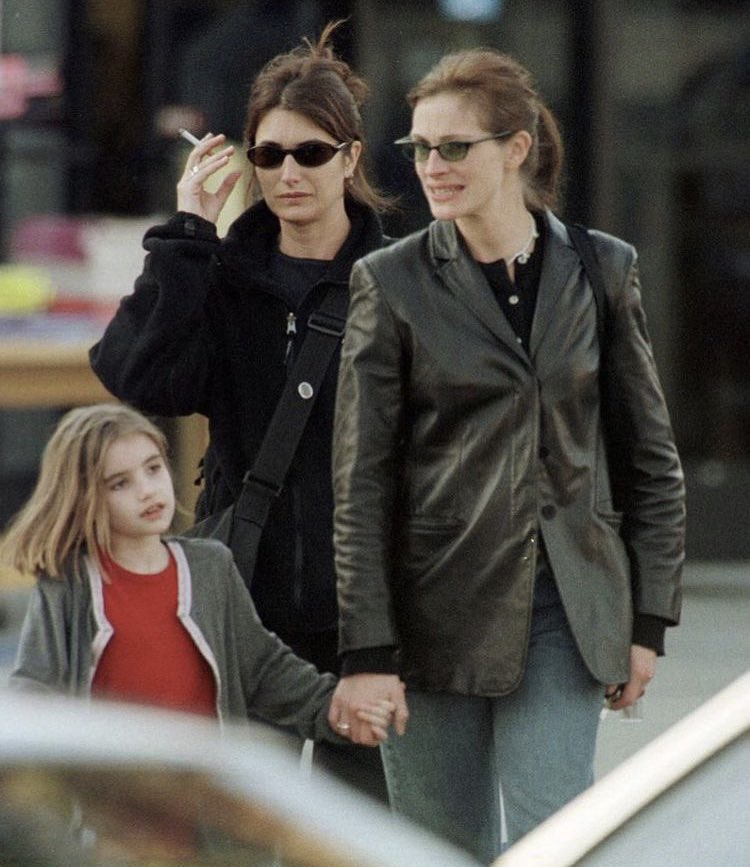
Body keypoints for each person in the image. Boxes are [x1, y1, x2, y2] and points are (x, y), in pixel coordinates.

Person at [328, 48, 686, 862]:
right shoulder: (391, 281)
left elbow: (649, 459)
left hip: (564, 605)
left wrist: (648, 619)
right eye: (419, 148)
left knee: (553, 833)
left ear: (515, 148)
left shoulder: (602, 268)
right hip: (428, 616)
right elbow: (360, 480)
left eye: (455, 146)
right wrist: (368, 650)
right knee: (436, 847)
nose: (432, 166)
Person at [88, 21, 394, 800]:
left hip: (369, 611)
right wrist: (187, 229)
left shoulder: (400, 282)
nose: (289, 172)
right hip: (243, 600)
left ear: (351, 157)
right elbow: (137, 375)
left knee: (360, 835)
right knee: (236, 823)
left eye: (312, 153)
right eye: (270, 154)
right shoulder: (221, 276)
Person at [2, 403, 394, 747]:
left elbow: (264, 670)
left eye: (153, 468)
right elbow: (36, 688)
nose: (147, 490)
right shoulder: (68, 583)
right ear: (84, 497)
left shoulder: (210, 566)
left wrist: (340, 709)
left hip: (205, 806)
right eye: (120, 483)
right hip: (110, 815)